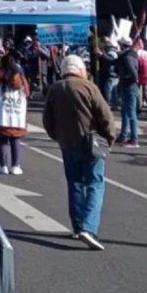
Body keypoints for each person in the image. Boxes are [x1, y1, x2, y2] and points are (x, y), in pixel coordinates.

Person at [42, 55, 115, 251]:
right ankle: (89, 227)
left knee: (74, 183)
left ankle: (77, 226)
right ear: (81, 70)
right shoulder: (89, 87)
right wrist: (110, 138)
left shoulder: (55, 89)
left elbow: (47, 120)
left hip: (67, 142)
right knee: (94, 183)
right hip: (93, 142)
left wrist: (57, 136)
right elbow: (105, 116)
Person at [0, 54, 31, 175]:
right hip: (17, 112)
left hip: (1, 112)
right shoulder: (20, 77)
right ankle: (16, 165)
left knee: (2, 138)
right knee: (16, 138)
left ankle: (3, 165)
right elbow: (27, 92)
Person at [114, 37, 140, 148]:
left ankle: (134, 140)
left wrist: (134, 79)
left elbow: (132, 71)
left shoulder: (127, 56)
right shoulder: (130, 55)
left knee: (130, 113)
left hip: (129, 86)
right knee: (125, 112)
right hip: (127, 86)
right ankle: (123, 136)